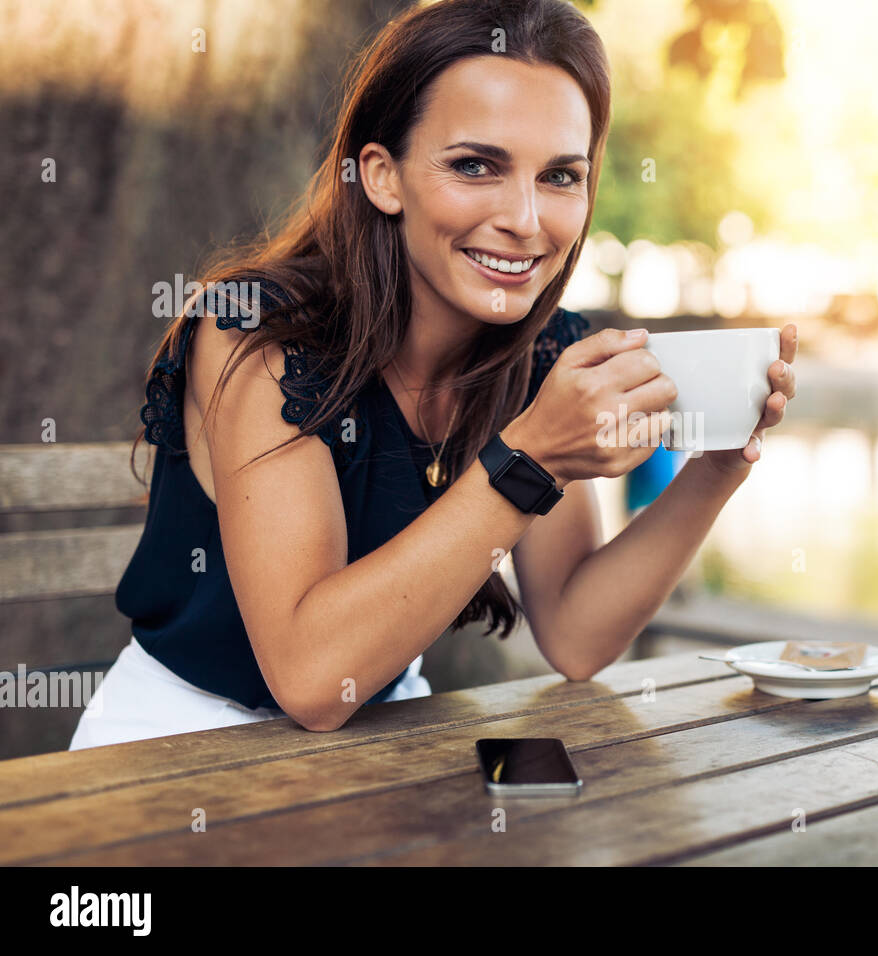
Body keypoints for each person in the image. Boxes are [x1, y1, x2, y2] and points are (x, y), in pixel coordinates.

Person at [69, 0, 797, 750]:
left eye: (559, 175)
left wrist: (716, 468)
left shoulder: (540, 351)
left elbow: (576, 636)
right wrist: (530, 459)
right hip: (181, 741)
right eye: (474, 166)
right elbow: (314, 679)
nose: (525, 218)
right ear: (382, 176)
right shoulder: (259, 332)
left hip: (384, 737)